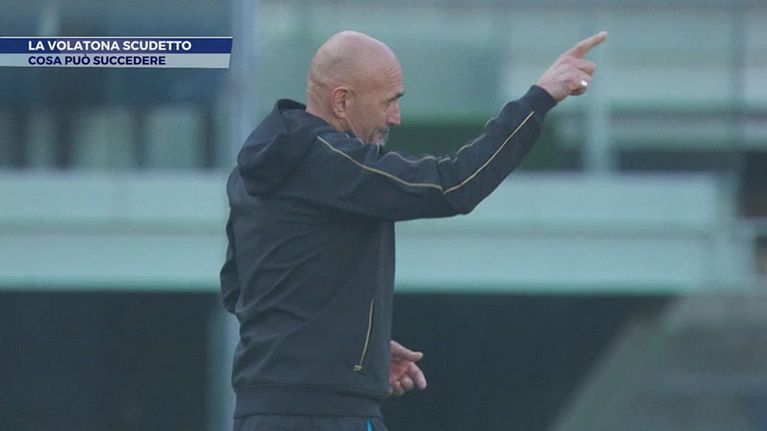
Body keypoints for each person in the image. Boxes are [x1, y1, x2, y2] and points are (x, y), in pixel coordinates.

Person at [220, 30, 607, 431]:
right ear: (342, 101)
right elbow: (453, 185)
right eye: (389, 101)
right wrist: (540, 99)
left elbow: (239, 290)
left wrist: (351, 349)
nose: (396, 117)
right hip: (329, 416)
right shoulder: (333, 162)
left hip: (259, 413)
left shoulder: (252, 172)